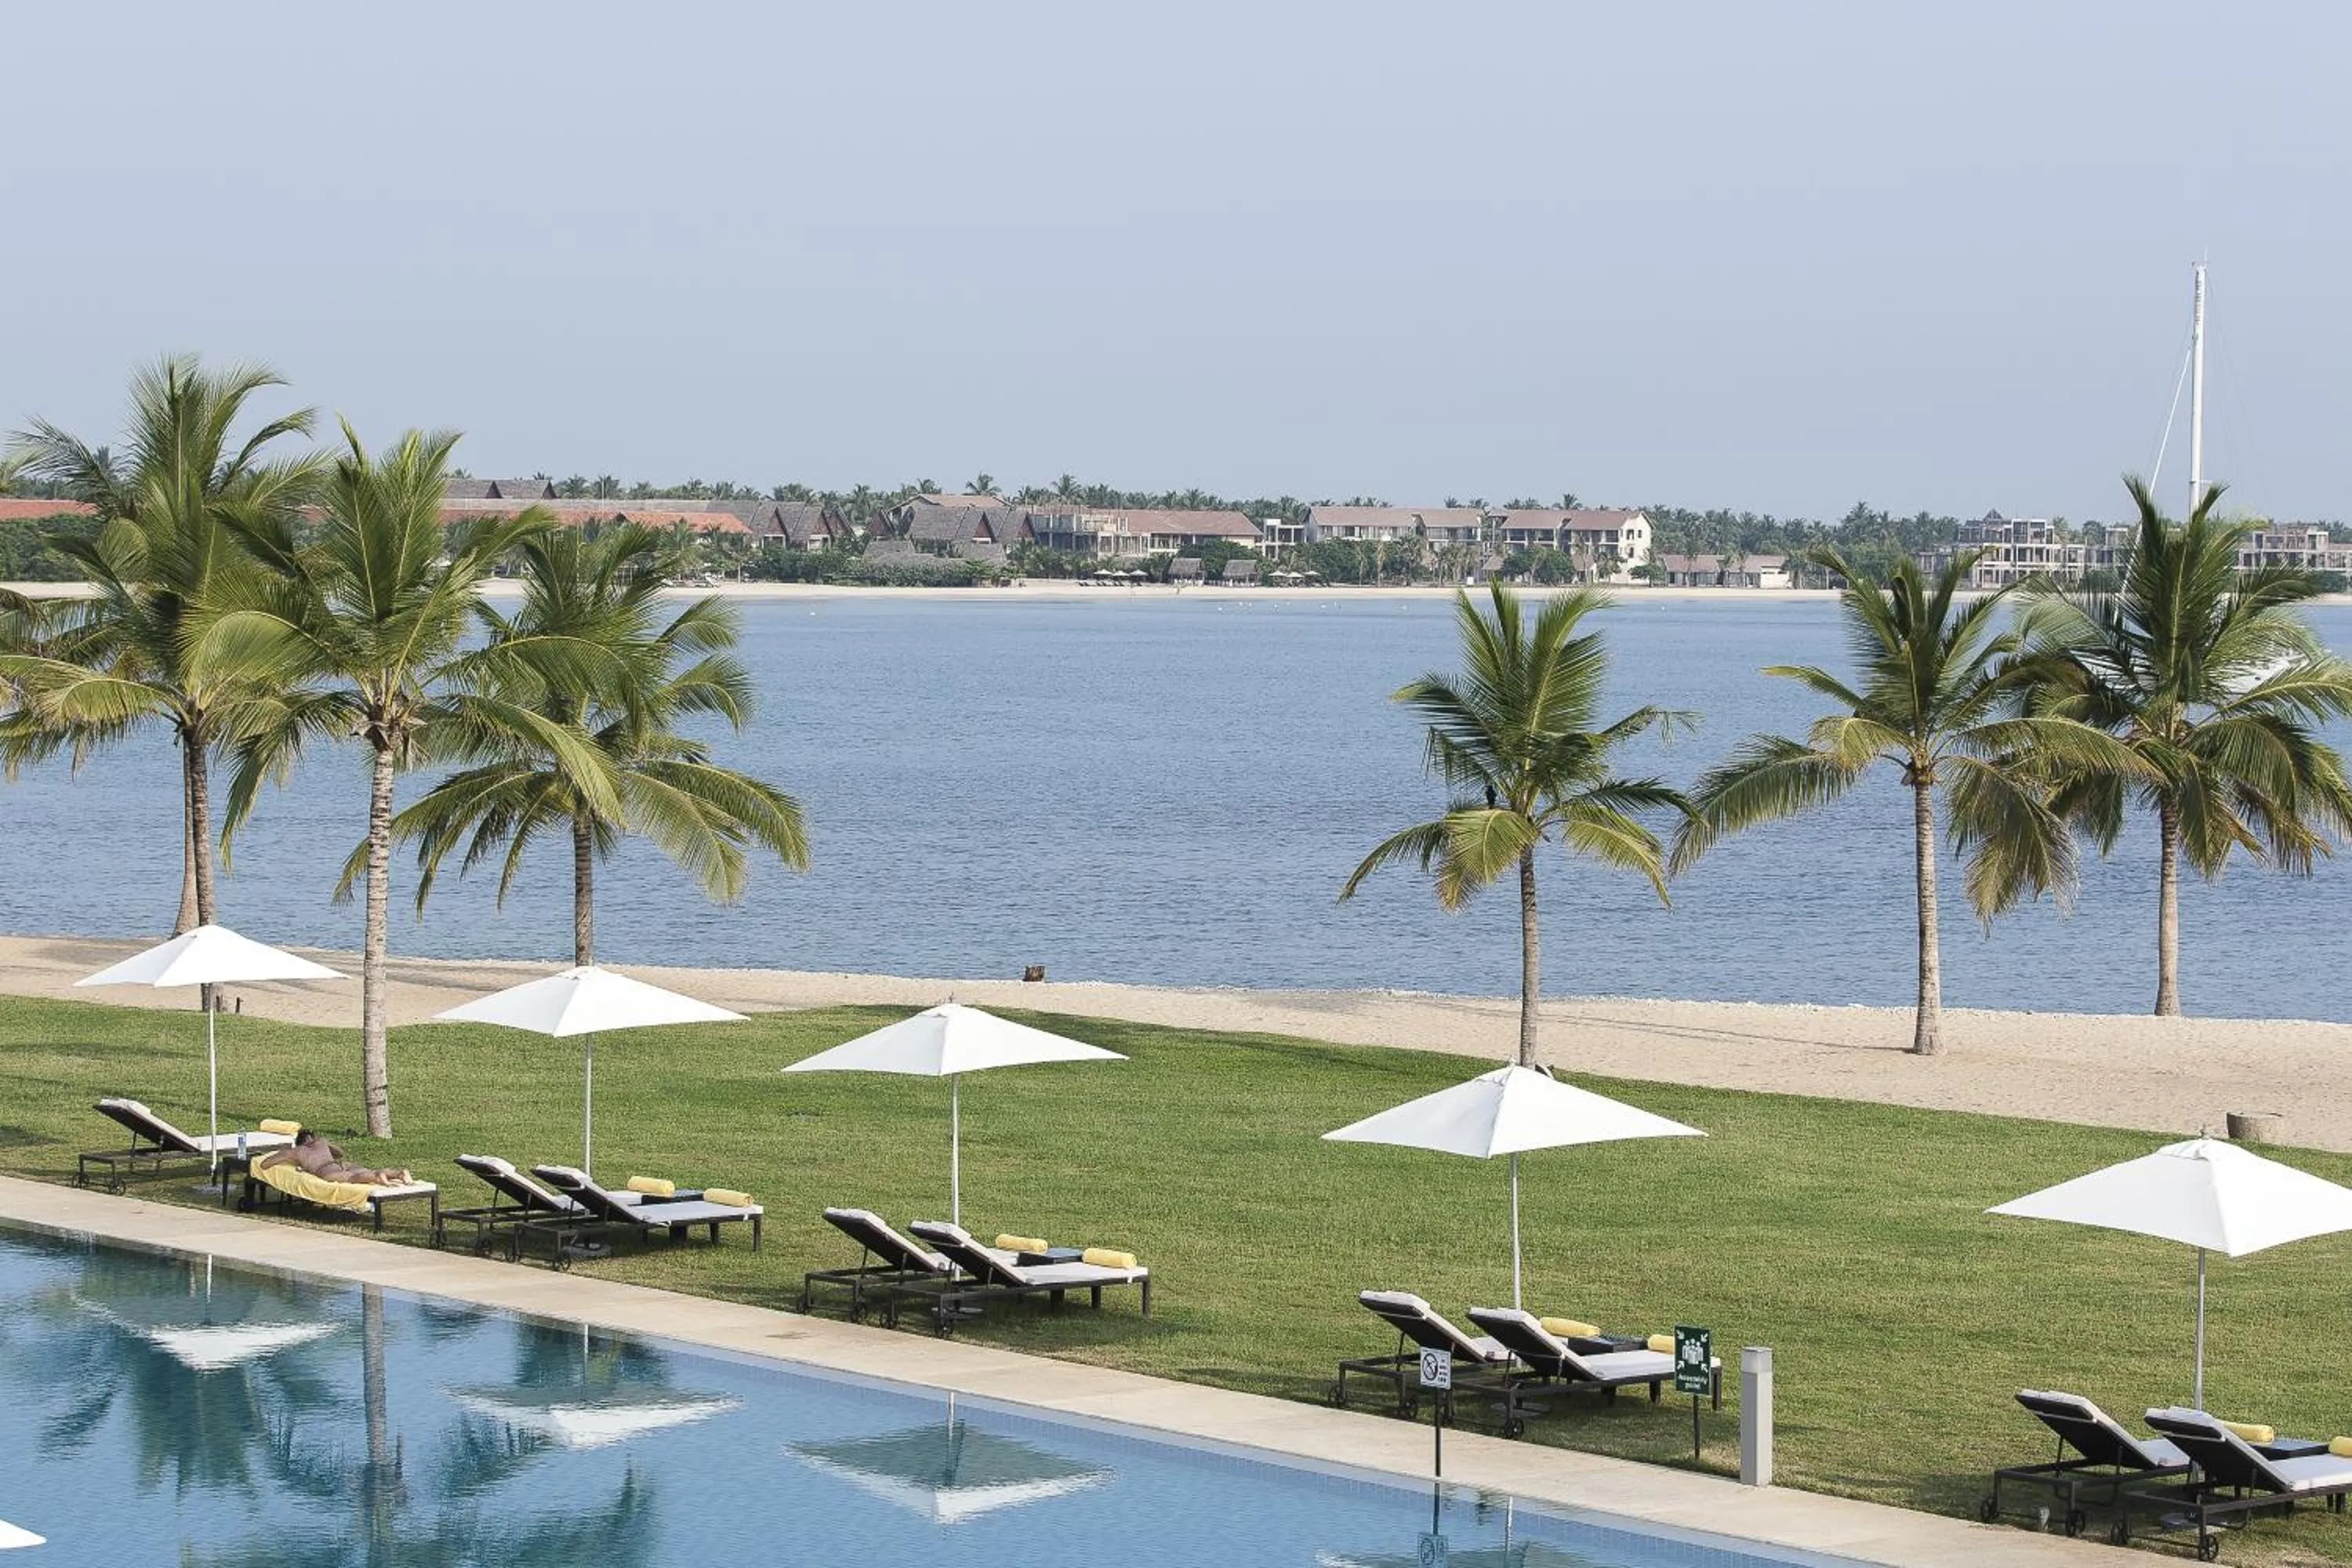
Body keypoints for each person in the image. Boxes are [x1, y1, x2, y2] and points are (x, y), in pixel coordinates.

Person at [257, 1128, 412, 1186]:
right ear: (312, 1137)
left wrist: (285, 1156)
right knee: (361, 1171)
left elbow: (265, 1164)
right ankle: (399, 1173)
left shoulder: (296, 1152)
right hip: (341, 1163)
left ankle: (378, 1177)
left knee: (354, 1178)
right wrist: (326, 1145)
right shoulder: (321, 1142)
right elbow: (340, 1154)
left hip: (326, 1171)